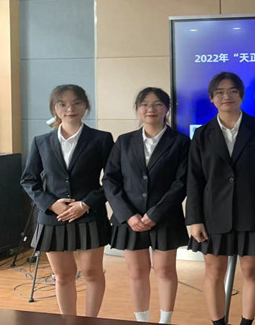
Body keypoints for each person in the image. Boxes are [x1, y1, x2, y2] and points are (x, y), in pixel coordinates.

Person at [186, 72, 255, 325]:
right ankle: (218, 323)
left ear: (241, 95)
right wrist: (194, 219)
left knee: (251, 270)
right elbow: (194, 179)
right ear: (211, 98)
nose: (226, 96)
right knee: (214, 271)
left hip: (253, 210)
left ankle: (246, 322)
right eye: (219, 92)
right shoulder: (202, 134)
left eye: (233, 91)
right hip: (212, 214)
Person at [20, 84, 114, 317]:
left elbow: (112, 180)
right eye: (62, 104)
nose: (70, 109)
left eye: (76, 103)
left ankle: (91, 320)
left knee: (92, 273)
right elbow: (29, 180)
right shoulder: (41, 141)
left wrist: (85, 204)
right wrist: (51, 204)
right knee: (63, 276)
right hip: (54, 217)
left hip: (90, 214)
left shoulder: (101, 139)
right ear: (54, 108)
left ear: (86, 106)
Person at [103, 87, 189, 324]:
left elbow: (182, 182)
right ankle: (141, 320)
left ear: (167, 109)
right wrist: (128, 215)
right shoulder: (124, 141)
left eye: (158, 104)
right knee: (137, 272)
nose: (151, 109)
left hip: (165, 217)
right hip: (129, 218)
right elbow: (110, 180)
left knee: (165, 270)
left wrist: (155, 214)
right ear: (137, 109)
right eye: (144, 104)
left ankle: (165, 320)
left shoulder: (181, 142)